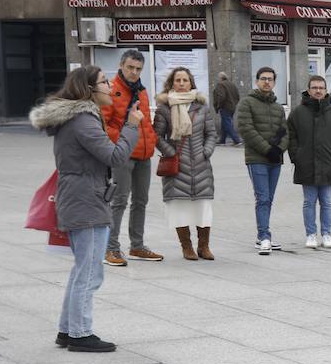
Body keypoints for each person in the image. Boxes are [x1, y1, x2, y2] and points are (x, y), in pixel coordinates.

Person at [30, 66, 142, 352]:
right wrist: (131, 125)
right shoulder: (83, 120)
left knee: (82, 269)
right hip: (86, 199)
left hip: (80, 195)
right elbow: (115, 157)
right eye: (104, 82)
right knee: (90, 271)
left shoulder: (76, 118)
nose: (110, 87)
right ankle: (80, 334)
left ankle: (68, 330)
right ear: (88, 88)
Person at [101, 49, 162, 266]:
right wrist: (123, 141)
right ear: (121, 65)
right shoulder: (110, 90)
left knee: (141, 201)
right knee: (119, 201)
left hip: (143, 154)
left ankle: (137, 245)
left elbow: (144, 122)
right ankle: (110, 248)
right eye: (130, 67)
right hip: (122, 155)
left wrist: (151, 141)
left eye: (138, 69)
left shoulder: (142, 91)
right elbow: (104, 125)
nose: (134, 72)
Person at [153, 67, 218, 261]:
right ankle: (186, 247)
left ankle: (204, 246)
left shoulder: (202, 107)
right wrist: (170, 152)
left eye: (185, 80)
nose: (181, 83)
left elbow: (212, 134)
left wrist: (206, 152)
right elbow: (156, 135)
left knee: (203, 207)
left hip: (201, 165)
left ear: (191, 83)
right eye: (178, 80)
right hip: (176, 166)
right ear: (172, 83)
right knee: (179, 208)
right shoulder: (164, 108)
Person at [288, 75, 331, 250]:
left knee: (327, 201)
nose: (318, 91)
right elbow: (291, 137)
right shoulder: (298, 113)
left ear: (326, 90)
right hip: (306, 164)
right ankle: (311, 234)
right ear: (308, 90)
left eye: (321, 88)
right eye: (314, 88)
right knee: (309, 201)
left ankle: (327, 234)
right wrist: (296, 156)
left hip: (328, 165)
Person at [236, 66, 289, 255]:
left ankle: (263, 235)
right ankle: (264, 236)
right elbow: (245, 129)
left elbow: (285, 131)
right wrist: (267, 149)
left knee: (269, 199)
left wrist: (279, 149)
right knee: (263, 197)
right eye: (263, 78)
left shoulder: (277, 106)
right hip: (257, 158)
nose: (267, 82)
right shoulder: (247, 103)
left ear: (274, 82)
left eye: (270, 79)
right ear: (257, 81)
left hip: (275, 159)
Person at [212, 72, 242, 146]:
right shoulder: (232, 84)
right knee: (224, 123)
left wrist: (219, 106)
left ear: (220, 78)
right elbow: (238, 96)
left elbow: (221, 97)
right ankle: (222, 140)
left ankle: (237, 140)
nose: (218, 79)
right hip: (232, 107)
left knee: (227, 124)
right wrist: (234, 104)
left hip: (225, 107)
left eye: (218, 77)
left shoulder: (220, 84)